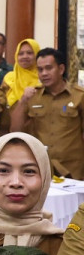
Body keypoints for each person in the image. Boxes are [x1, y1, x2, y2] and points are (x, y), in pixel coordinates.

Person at [11, 47, 84, 179]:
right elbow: (15, 131)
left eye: (49, 68)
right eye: (40, 69)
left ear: (61, 69)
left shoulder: (79, 96)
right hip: (40, 167)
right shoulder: (32, 96)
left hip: (73, 169)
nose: (44, 73)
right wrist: (23, 101)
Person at [2, 38, 40, 107]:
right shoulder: (9, 78)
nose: (25, 56)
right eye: (21, 53)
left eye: (29, 53)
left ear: (37, 55)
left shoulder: (43, 78)